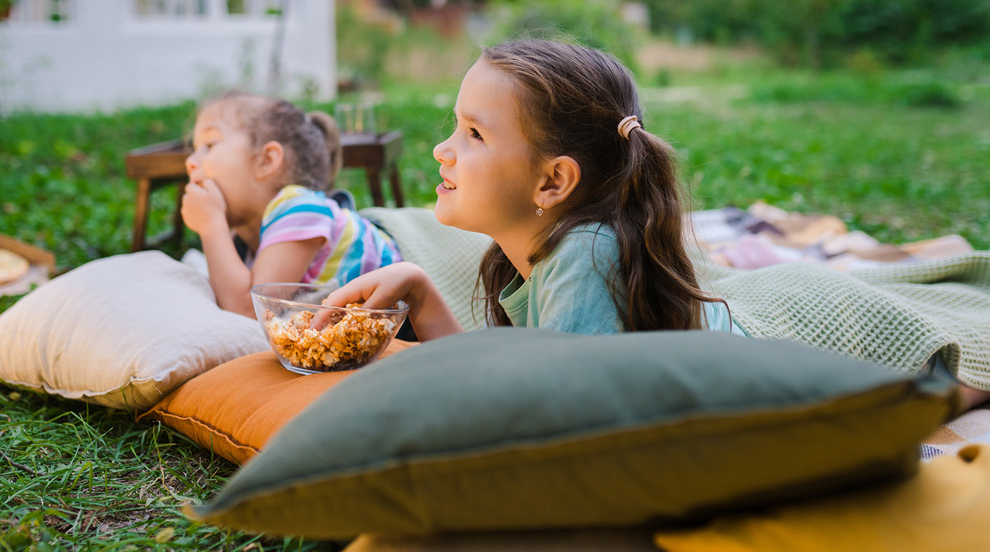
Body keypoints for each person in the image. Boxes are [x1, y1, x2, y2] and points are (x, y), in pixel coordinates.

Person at [323, 40, 744, 341]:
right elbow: (504, 385)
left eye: (474, 133)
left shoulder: (586, 256)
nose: (442, 149)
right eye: (455, 127)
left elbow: (550, 418)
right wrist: (420, 292)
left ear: (552, 182)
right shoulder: (530, 258)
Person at [181, 92, 402, 317]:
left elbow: (252, 310)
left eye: (209, 145)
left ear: (266, 160)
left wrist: (211, 224)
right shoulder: (242, 242)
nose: (190, 162)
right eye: (194, 149)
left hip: (407, 327)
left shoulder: (302, 208)